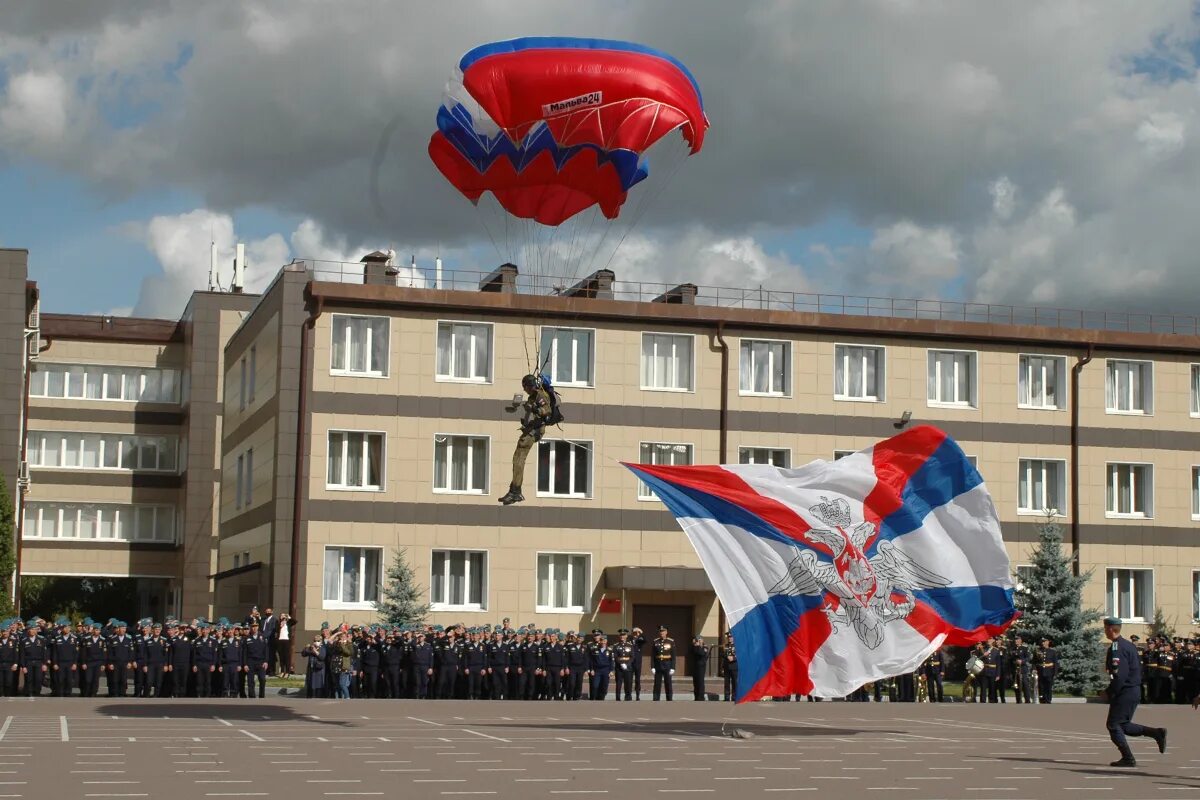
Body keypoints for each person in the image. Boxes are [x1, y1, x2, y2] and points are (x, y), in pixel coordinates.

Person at [1102, 617, 1166, 767]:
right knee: (1123, 725)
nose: (1105, 631)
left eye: (1106, 628)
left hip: (1126, 691)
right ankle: (1156, 733)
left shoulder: (1118, 647)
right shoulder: (1129, 646)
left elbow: (1120, 675)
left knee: (1113, 725)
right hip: (1133, 689)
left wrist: (1110, 692)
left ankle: (1128, 758)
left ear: (1111, 629)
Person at [498, 374, 552, 506]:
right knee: (517, 459)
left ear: (529, 386)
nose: (524, 390)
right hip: (530, 429)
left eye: (525, 387)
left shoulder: (540, 396)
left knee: (518, 459)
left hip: (534, 431)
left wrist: (534, 409)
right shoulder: (533, 396)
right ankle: (514, 490)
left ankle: (515, 492)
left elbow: (547, 410)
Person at [652, 625, 676, 701]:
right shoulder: (655, 641)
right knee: (657, 684)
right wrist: (652, 667)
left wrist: (673, 667)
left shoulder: (671, 641)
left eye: (663, 631)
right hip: (658, 665)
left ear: (666, 632)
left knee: (668, 683)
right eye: (660, 631)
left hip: (667, 665)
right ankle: (656, 699)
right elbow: (653, 655)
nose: (662, 633)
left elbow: (673, 656)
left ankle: (669, 699)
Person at [690, 636, 710, 701]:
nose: (698, 641)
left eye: (700, 640)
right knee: (695, 682)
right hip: (694, 666)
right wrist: (695, 645)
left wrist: (698, 646)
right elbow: (692, 653)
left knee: (700, 681)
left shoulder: (705, 647)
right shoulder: (694, 646)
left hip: (701, 666)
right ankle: (696, 697)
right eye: (697, 640)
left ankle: (701, 697)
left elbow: (701, 653)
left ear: (702, 640)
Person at [720, 633, 738, 702]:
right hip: (727, 666)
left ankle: (734, 697)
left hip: (734, 666)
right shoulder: (725, 646)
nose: (730, 638)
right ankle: (726, 697)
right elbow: (721, 653)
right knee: (726, 683)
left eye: (731, 637)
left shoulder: (737, 646)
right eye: (729, 637)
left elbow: (740, 654)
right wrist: (727, 656)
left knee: (734, 683)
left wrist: (733, 658)